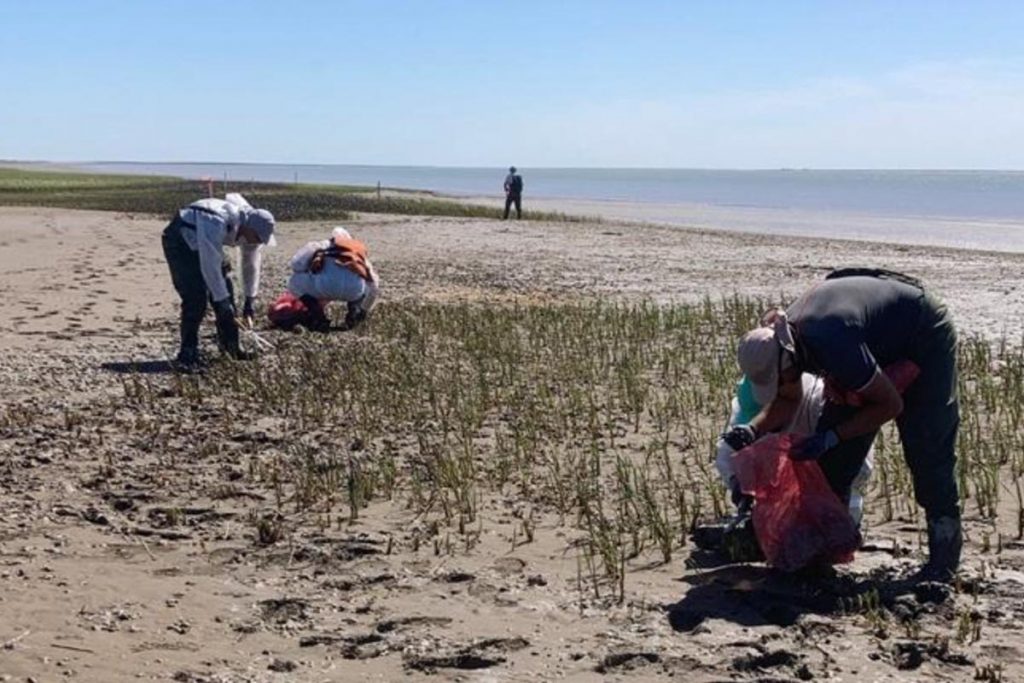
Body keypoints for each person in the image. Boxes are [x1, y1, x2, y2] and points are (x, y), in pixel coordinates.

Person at [733, 268, 961, 581]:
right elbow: (787, 400)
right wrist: (752, 430)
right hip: (864, 340)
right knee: (832, 465)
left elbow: (891, 405)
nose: (782, 382)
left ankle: (944, 558)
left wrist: (831, 436)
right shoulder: (786, 343)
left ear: (788, 359)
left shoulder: (831, 341)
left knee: (927, 446)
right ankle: (825, 551)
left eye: (780, 377)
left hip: (922, 332)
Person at [716, 371, 874, 527]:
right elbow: (726, 454)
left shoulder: (821, 405)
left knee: (838, 523)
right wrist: (738, 484)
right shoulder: (747, 405)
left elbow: (859, 468)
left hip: (836, 477)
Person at [161, 193, 275, 366]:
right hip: (180, 240)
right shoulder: (215, 223)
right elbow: (210, 266)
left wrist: (249, 300)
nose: (256, 242)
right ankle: (187, 353)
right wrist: (221, 302)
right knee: (196, 297)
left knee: (227, 295)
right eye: (256, 238)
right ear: (249, 229)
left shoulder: (250, 229)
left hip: (207, 244)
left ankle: (231, 348)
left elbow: (250, 265)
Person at [286, 227, 380, 330]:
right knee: (365, 283)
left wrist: (311, 268)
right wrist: (364, 311)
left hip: (323, 286)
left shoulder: (319, 246)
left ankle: (317, 314)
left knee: (294, 282)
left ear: (332, 238)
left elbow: (296, 266)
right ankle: (354, 312)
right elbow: (374, 284)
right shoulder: (357, 252)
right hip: (353, 292)